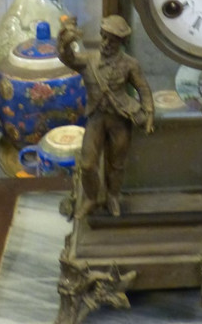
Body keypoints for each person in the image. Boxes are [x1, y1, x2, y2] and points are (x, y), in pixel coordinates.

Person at [57, 15, 154, 217]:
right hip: (96, 118)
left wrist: (149, 114)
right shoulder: (88, 60)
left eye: (113, 40)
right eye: (104, 37)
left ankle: (113, 196)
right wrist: (65, 42)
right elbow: (67, 58)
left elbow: (143, 89)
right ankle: (91, 198)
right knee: (87, 164)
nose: (106, 43)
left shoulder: (130, 64)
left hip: (120, 119)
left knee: (117, 164)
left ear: (121, 42)